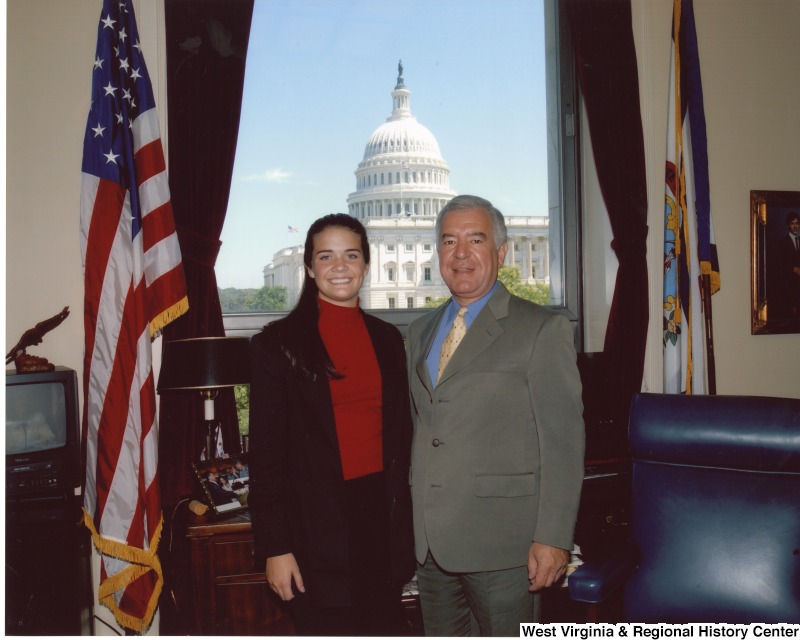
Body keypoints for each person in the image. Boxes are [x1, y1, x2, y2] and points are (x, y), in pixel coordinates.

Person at [406, 195, 585, 636]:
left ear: (501, 253)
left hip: (507, 547)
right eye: (449, 241)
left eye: (475, 239)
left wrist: (555, 538)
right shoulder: (419, 331)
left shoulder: (542, 329)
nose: (460, 254)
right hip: (430, 547)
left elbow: (563, 445)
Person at [248, 213, 415, 636]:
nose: (340, 267)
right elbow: (265, 459)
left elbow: (401, 438)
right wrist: (276, 547)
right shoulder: (277, 345)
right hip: (313, 531)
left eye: (351, 255)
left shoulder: (388, 339)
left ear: (366, 264)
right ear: (309, 268)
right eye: (326, 256)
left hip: (382, 523)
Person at [773, 210, 800, 320]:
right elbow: (778, 266)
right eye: (792, 223)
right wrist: (793, 269)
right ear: (788, 225)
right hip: (789, 287)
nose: (795, 226)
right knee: (791, 317)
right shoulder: (782, 243)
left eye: (797, 223)